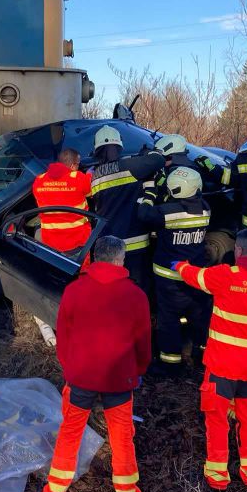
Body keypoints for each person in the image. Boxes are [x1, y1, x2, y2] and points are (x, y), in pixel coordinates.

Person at [175, 229, 247, 490]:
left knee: (216, 420)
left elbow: (197, 276)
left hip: (221, 367)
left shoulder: (226, 276)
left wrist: (180, 265)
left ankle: (217, 477)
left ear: (238, 251)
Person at [43, 236, 151, 492]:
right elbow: (143, 342)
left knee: (70, 431)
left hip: (80, 377)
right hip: (119, 379)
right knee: (122, 434)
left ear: (95, 257)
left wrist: (71, 368)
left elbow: (64, 336)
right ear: (119, 259)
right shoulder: (135, 295)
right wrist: (138, 370)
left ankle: (55, 490)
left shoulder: (74, 290)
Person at [138, 166, 211, 378]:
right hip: (195, 276)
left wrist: (149, 192)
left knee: (168, 320)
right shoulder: (205, 208)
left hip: (168, 279)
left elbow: (144, 214)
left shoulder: (169, 212)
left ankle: (171, 364)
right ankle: (201, 356)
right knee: (199, 316)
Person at [88, 125, 166, 292]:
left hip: (106, 245)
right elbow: (158, 160)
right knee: (135, 290)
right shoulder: (128, 166)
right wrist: (148, 154)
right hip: (134, 245)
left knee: (111, 290)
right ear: (118, 146)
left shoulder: (94, 175)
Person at [31, 148, 93, 345]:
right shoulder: (78, 178)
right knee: (82, 284)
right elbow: (90, 185)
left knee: (57, 285)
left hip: (51, 244)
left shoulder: (39, 180)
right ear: (74, 164)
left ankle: (53, 319)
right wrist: (89, 171)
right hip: (79, 245)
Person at [151, 134, 194, 201]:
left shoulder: (179, 174)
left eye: (163, 157)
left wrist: (160, 184)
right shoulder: (173, 166)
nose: (160, 160)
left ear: (172, 157)